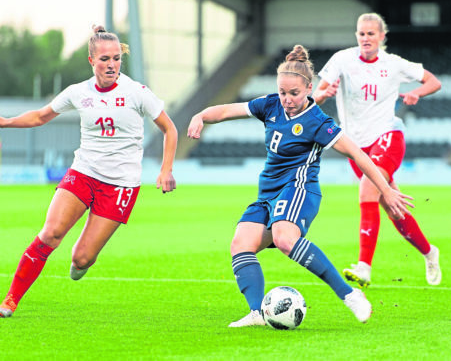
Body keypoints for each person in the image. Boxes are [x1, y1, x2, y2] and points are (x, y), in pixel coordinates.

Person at [187, 45, 414, 327]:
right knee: (240, 244)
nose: (286, 99)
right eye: (282, 92)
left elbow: (358, 154)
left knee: (284, 238)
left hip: (299, 188)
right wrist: (200, 116)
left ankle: (349, 295)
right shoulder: (270, 105)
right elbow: (225, 111)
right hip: (268, 193)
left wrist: (387, 189)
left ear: (309, 88)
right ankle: (257, 313)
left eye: (293, 93)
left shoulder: (317, 122)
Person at [0, 25, 177, 318]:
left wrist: (165, 169)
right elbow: (41, 116)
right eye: (105, 59)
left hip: (121, 184)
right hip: (83, 173)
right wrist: (5, 122)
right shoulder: (77, 92)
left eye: (117, 59)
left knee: (82, 258)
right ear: (91, 61)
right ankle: (10, 300)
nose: (112, 65)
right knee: (51, 233)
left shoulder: (137, 92)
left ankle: (81, 262)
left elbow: (169, 128)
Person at [312, 13, 442, 288]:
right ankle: (430, 253)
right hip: (355, 146)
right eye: (361, 34)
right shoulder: (342, 60)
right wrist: (324, 93)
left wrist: (418, 93)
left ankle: (364, 267)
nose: (365, 38)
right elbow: (316, 93)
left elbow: (433, 81)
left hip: (387, 135)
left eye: (371, 34)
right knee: (393, 208)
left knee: (367, 190)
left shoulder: (393, 64)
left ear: (382, 37)